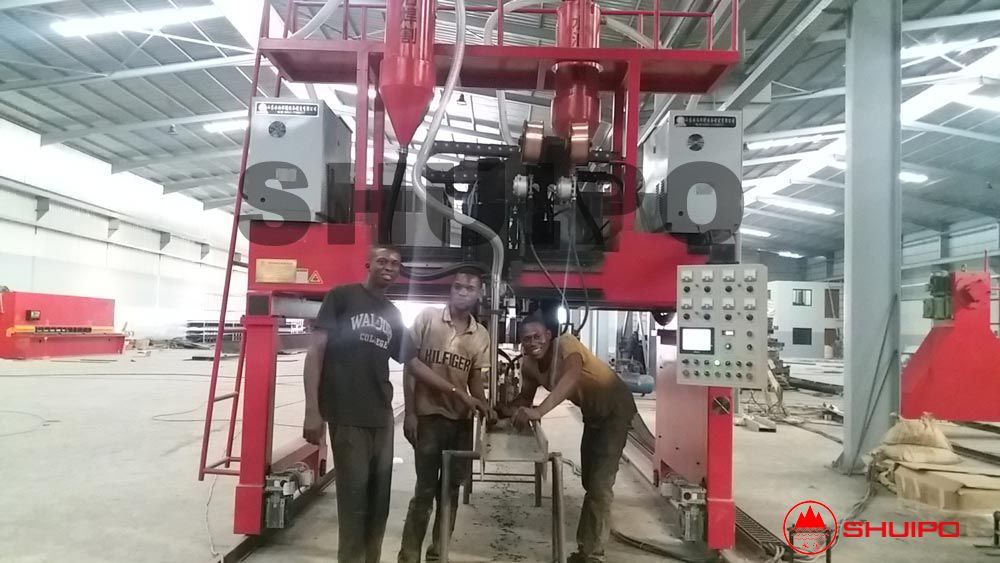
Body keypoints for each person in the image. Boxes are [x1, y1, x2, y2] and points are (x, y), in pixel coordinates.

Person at [302, 245, 489, 563]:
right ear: (368, 264)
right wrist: (312, 410)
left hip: (382, 417)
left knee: (379, 504)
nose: (389, 266)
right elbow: (315, 352)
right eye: (382, 261)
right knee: (354, 500)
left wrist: (459, 394)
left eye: (395, 263)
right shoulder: (342, 297)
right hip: (347, 415)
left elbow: (413, 363)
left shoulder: (392, 313)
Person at [507, 310, 638, 563]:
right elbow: (524, 397)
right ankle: (588, 546)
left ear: (548, 335)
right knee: (590, 481)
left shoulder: (566, 344)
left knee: (600, 485)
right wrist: (499, 409)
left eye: (537, 336)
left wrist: (539, 411)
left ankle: (592, 554)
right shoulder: (529, 364)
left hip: (615, 409)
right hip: (592, 414)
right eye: (526, 339)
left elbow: (571, 377)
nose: (532, 343)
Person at [398, 267, 497, 563]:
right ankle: (408, 557)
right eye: (458, 286)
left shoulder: (480, 335)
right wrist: (410, 412)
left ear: (479, 294)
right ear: (450, 290)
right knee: (424, 491)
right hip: (428, 418)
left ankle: (438, 554)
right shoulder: (427, 319)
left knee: (450, 492)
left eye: (470, 288)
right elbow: (410, 366)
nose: (462, 292)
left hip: (461, 423)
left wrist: (483, 404)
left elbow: (475, 378)